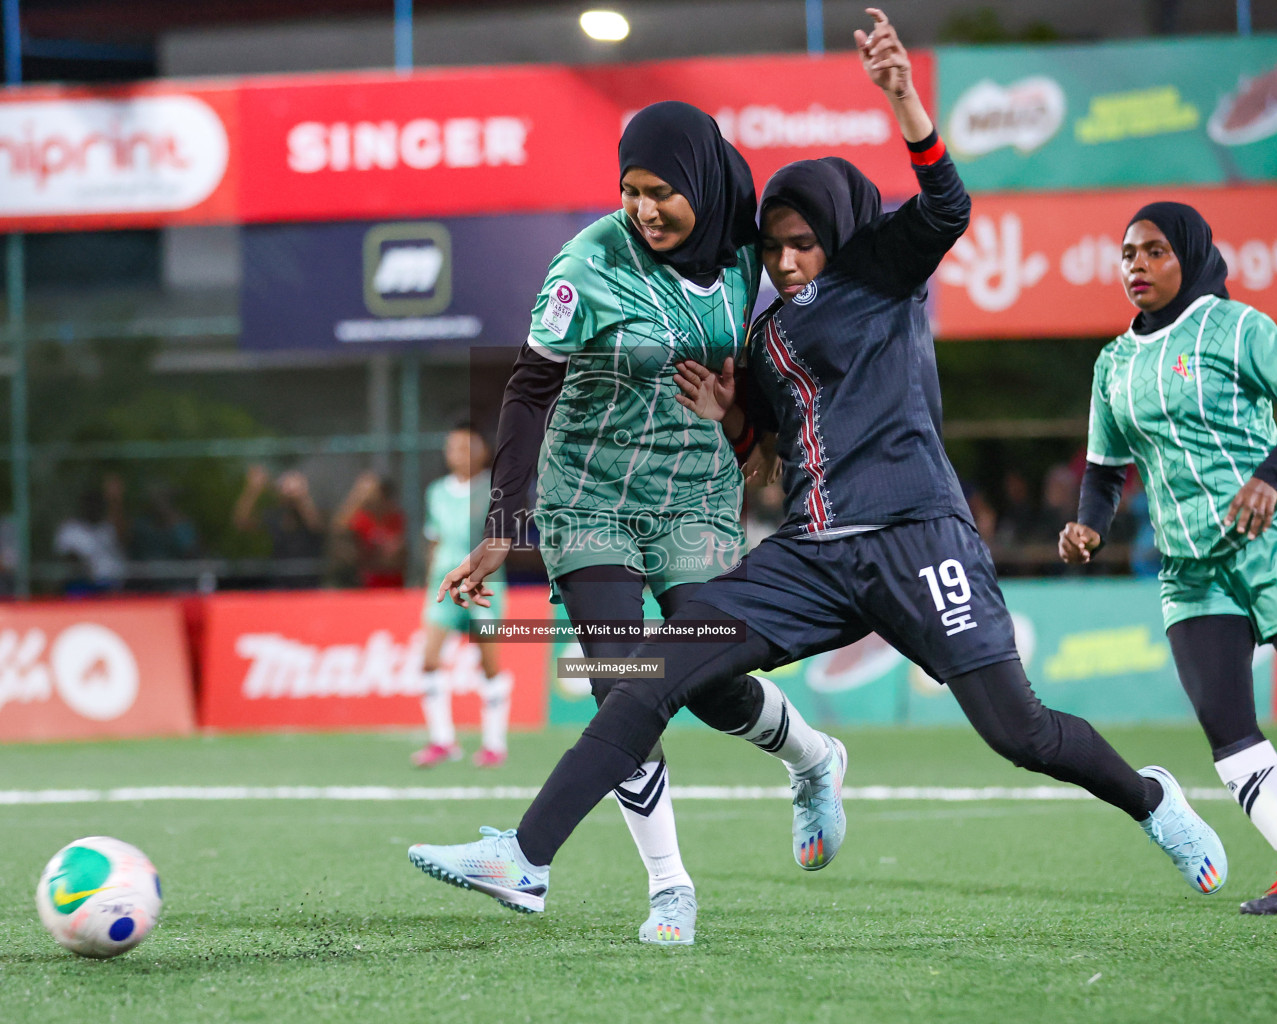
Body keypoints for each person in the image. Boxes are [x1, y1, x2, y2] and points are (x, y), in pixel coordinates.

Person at [409, 11, 1227, 926]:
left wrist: (904, 100)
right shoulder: (756, 336)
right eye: (775, 248)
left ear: (841, 234)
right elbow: (766, 464)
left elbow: (949, 208)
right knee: (649, 673)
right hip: (811, 557)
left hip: (920, 541)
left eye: (805, 243)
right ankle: (526, 857)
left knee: (1020, 733)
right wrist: (730, 420)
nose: (790, 262)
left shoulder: (882, 275)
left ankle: (1154, 799)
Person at [421, 96, 842, 945]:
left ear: (701, 184)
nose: (644, 209)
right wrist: (506, 522)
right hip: (591, 497)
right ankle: (669, 890)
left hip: (694, 497)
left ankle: (814, 758)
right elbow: (528, 389)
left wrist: (755, 437)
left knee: (710, 680)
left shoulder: (741, 254)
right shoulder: (588, 263)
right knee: (623, 680)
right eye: (630, 189)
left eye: (661, 191)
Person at [1059, 201, 1277, 914]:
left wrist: (1271, 478)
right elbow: (1106, 470)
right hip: (1189, 567)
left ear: (1191, 256)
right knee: (1226, 727)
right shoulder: (1114, 364)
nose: (1136, 265)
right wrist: (1088, 525)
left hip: (1275, 543)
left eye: (1154, 251)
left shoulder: (1237, 329)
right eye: (1127, 254)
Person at [412, 424, 513, 768]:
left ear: (481, 451)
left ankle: (494, 744)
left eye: (466, 446)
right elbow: (434, 541)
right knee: (428, 659)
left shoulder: (493, 489)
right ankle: (442, 741)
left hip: (484, 587)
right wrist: (429, 582)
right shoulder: (436, 492)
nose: (457, 453)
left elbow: (500, 540)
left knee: (489, 663)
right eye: (452, 447)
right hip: (443, 586)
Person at [233, 465, 323, 589]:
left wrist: (302, 496)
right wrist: (253, 489)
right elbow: (241, 522)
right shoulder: (275, 516)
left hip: (309, 586)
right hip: (279, 586)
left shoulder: (311, 515)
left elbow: (315, 524)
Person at [332, 472, 407, 589]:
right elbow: (338, 528)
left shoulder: (394, 517)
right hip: (367, 581)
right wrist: (357, 496)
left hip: (393, 580)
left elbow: (395, 554)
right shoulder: (363, 517)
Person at [54, 476, 127, 594]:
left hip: (111, 585)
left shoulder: (109, 527)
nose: (93, 507)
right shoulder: (70, 528)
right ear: (82, 505)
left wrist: (115, 500)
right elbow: (68, 558)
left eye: (96, 503)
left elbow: (125, 539)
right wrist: (85, 566)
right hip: (82, 583)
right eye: (89, 503)